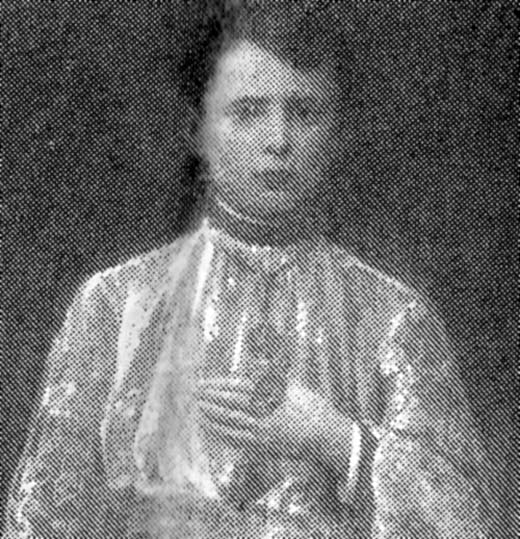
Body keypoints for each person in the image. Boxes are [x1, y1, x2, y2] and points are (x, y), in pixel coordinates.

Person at [4, 2, 491, 538]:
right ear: (198, 131)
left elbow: (466, 523)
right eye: (248, 112)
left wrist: (335, 439)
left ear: (335, 134)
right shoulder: (117, 304)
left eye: (304, 113)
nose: (278, 140)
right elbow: (43, 516)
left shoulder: (393, 317)